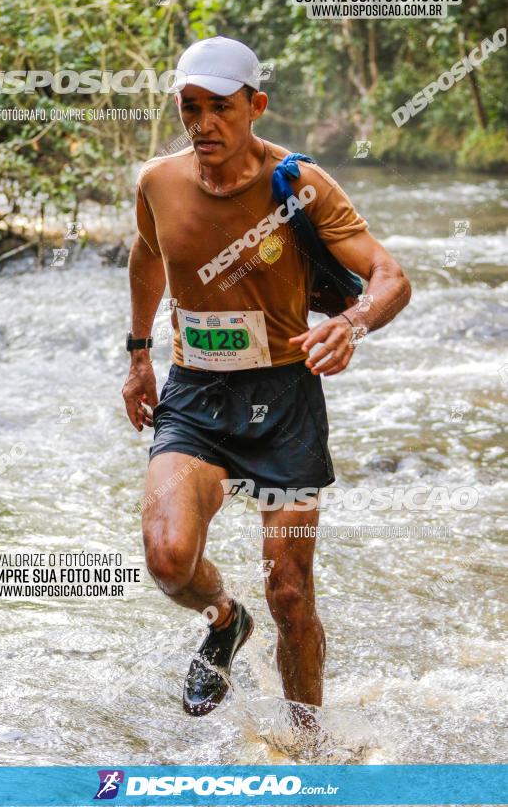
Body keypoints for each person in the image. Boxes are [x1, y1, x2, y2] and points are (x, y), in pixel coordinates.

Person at [122, 36, 411, 717]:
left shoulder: (299, 184)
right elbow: (147, 258)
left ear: (255, 105)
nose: (203, 124)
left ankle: (308, 749)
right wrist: (139, 354)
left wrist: (353, 324)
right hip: (195, 393)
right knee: (168, 560)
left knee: (289, 590)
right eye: (190, 108)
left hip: (284, 399)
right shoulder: (157, 182)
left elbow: (389, 276)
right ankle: (224, 618)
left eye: (220, 107)